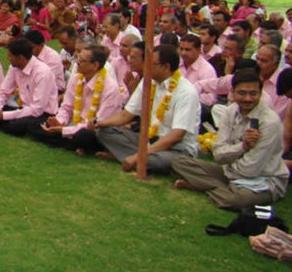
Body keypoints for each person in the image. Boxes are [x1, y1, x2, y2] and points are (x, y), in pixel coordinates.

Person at [172, 67, 289, 210]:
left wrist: (228, 163)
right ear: (233, 92)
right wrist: (243, 146)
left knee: (233, 200)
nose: (248, 99)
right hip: (231, 170)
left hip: (263, 180)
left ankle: (206, 187)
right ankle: (222, 188)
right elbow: (218, 154)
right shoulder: (230, 112)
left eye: (253, 94)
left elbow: (251, 169)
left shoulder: (269, 122)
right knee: (179, 162)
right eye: (242, 93)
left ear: (260, 93)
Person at [96, 44, 200, 175]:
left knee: (154, 161)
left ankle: (134, 157)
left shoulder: (186, 92)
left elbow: (177, 135)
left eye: (151, 64)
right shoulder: (147, 82)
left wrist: (139, 155)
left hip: (176, 148)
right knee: (104, 132)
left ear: (166, 67)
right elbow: (126, 115)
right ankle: (135, 158)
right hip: (149, 140)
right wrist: (98, 123)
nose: (145, 67)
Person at [33, 44, 125, 154]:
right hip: (73, 124)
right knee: (36, 125)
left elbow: (98, 123)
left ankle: (73, 142)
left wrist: (65, 130)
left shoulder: (110, 87)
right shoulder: (77, 78)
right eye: (78, 58)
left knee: (83, 137)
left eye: (82, 60)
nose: (77, 62)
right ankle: (72, 143)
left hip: (97, 131)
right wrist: (59, 121)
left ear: (95, 65)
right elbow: (66, 107)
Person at [0, 38, 58, 137]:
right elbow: (3, 91)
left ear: (20, 58)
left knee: (16, 126)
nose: (8, 59)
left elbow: (37, 109)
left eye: (10, 56)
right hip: (23, 108)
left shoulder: (42, 72)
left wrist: (2, 116)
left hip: (42, 113)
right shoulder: (14, 67)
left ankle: (0, 121)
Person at [24, 29, 65, 93]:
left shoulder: (52, 57)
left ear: (41, 45)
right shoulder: (29, 55)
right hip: (35, 89)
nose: (28, 51)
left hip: (54, 91)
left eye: (31, 48)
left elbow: (46, 81)